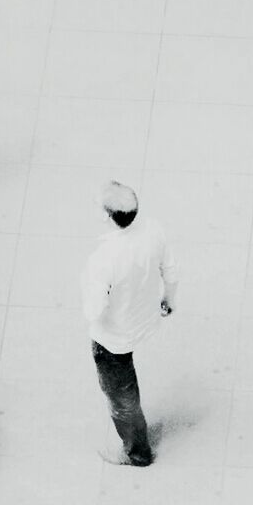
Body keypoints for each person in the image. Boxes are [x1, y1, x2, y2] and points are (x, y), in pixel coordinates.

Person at [82, 181, 178, 466]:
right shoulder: (153, 230)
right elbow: (171, 272)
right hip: (143, 318)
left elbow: (94, 310)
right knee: (125, 390)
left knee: (122, 396)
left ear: (108, 216)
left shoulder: (103, 258)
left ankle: (137, 453)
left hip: (113, 336)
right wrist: (168, 300)